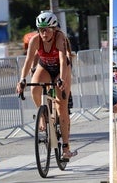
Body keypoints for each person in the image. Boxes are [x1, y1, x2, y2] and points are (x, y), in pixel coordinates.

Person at [16, 11, 74, 160]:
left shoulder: (60, 37)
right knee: (34, 88)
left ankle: (66, 147)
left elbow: (62, 60)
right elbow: (28, 61)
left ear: (54, 29)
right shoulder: (36, 40)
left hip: (61, 69)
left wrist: (61, 79)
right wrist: (22, 79)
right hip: (45, 66)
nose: (44, 33)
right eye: (41, 29)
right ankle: (43, 115)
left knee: (61, 106)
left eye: (47, 29)